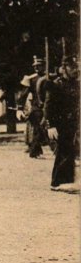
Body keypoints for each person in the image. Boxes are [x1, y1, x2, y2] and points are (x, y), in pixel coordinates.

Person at [43, 55, 79, 191]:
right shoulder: (55, 85)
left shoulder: (76, 84)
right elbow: (48, 107)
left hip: (73, 123)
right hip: (60, 124)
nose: (76, 70)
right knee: (65, 151)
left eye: (76, 67)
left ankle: (66, 181)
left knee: (70, 151)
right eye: (72, 67)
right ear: (64, 69)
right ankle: (58, 182)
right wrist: (50, 125)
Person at [17, 56, 50, 158]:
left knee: (43, 130)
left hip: (49, 106)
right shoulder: (31, 79)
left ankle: (36, 151)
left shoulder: (49, 77)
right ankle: (34, 151)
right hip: (37, 108)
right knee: (38, 129)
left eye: (39, 66)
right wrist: (19, 108)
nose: (36, 68)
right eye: (35, 66)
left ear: (44, 66)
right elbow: (23, 95)